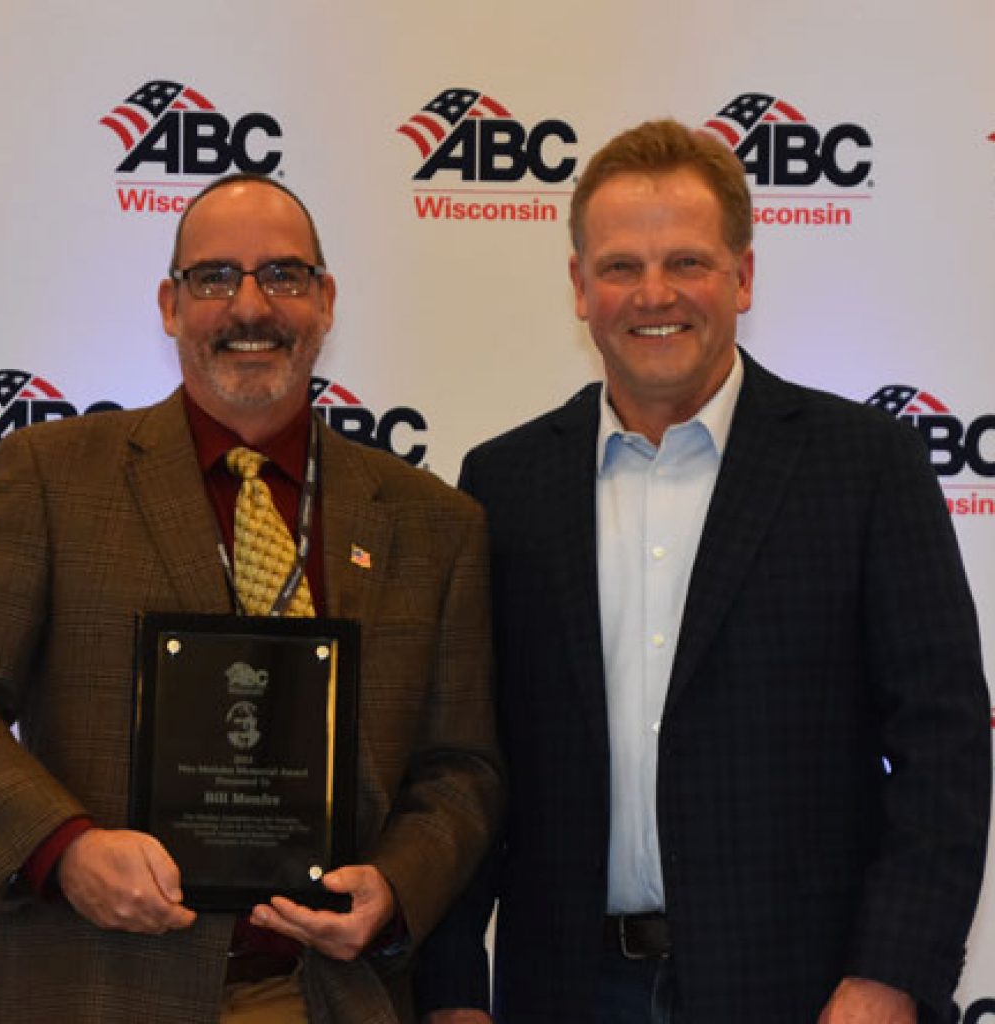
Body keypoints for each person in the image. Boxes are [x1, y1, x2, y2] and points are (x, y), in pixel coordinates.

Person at [414, 120, 992, 1024]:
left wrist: (891, 973)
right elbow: (465, 759)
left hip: (808, 994)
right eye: (619, 267)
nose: (654, 295)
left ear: (744, 275)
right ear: (578, 286)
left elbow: (945, 746)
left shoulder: (865, 465)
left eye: (686, 261)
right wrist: (450, 989)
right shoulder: (504, 483)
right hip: (565, 993)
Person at [0, 173, 502, 1024]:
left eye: (284, 276)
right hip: (99, 983)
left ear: (326, 302)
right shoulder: (52, 476)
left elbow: (461, 769)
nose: (249, 306)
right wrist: (63, 850)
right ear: (169, 304)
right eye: (214, 278)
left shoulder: (432, 522)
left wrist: (397, 887)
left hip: (325, 992)